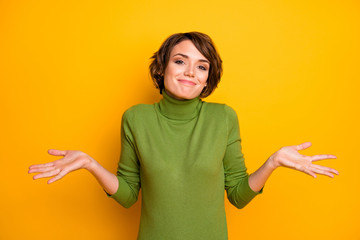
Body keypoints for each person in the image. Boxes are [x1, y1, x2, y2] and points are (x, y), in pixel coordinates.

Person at [28, 32, 339, 240]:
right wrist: (91, 165)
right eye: (180, 61)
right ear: (162, 68)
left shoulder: (223, 117)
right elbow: (127, 196)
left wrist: (272, 163)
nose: (191, 72)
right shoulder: (136, 118)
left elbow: (238, 196)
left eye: (201, 67)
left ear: (207, 79)